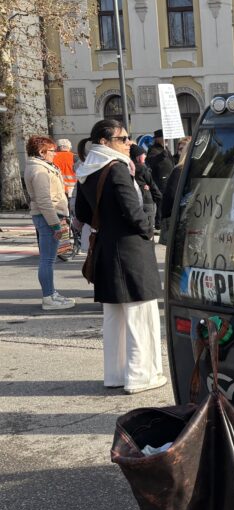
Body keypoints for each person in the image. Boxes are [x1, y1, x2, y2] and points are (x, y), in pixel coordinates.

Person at [75, 119, 166, 394]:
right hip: (130, 251)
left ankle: (116, 374)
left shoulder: (87, 169)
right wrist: (149, 230)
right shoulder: (116, 169)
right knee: (141, 315)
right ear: (105, 142)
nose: (129, 143)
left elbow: (81, 213)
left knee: (114, 317)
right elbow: (133, 210)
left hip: (106, 246)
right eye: (123, 138)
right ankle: (141, 376)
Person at [24, 135, 75, 310]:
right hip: (47, 217)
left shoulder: (42, 167)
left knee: (49, 259)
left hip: (49, 216)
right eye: (52, 151)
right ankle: (48, 296)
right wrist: (55, 225)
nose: (55, 154)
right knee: (47, 260)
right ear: (41, 152)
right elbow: (44, 201)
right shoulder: (39, 170)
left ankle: (51, 293)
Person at [146, 129, 174, 229]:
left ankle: (165, 221)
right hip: (160, 179)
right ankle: (159, 223)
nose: (165, 139)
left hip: (169, 178)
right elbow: (150, 161)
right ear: (158, 139)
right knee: (161, 201)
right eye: (163, 137)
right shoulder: (153, 149)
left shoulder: (166, 148)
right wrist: (161, 156)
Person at [129, 144, 162, 221]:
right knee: (149, 225)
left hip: (135, 201)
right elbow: (152, 184)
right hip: (147, 200)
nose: (145, 156)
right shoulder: (143, 168)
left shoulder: (128, 167)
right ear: (138, 156)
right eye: (143, 154)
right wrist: (160, 198)